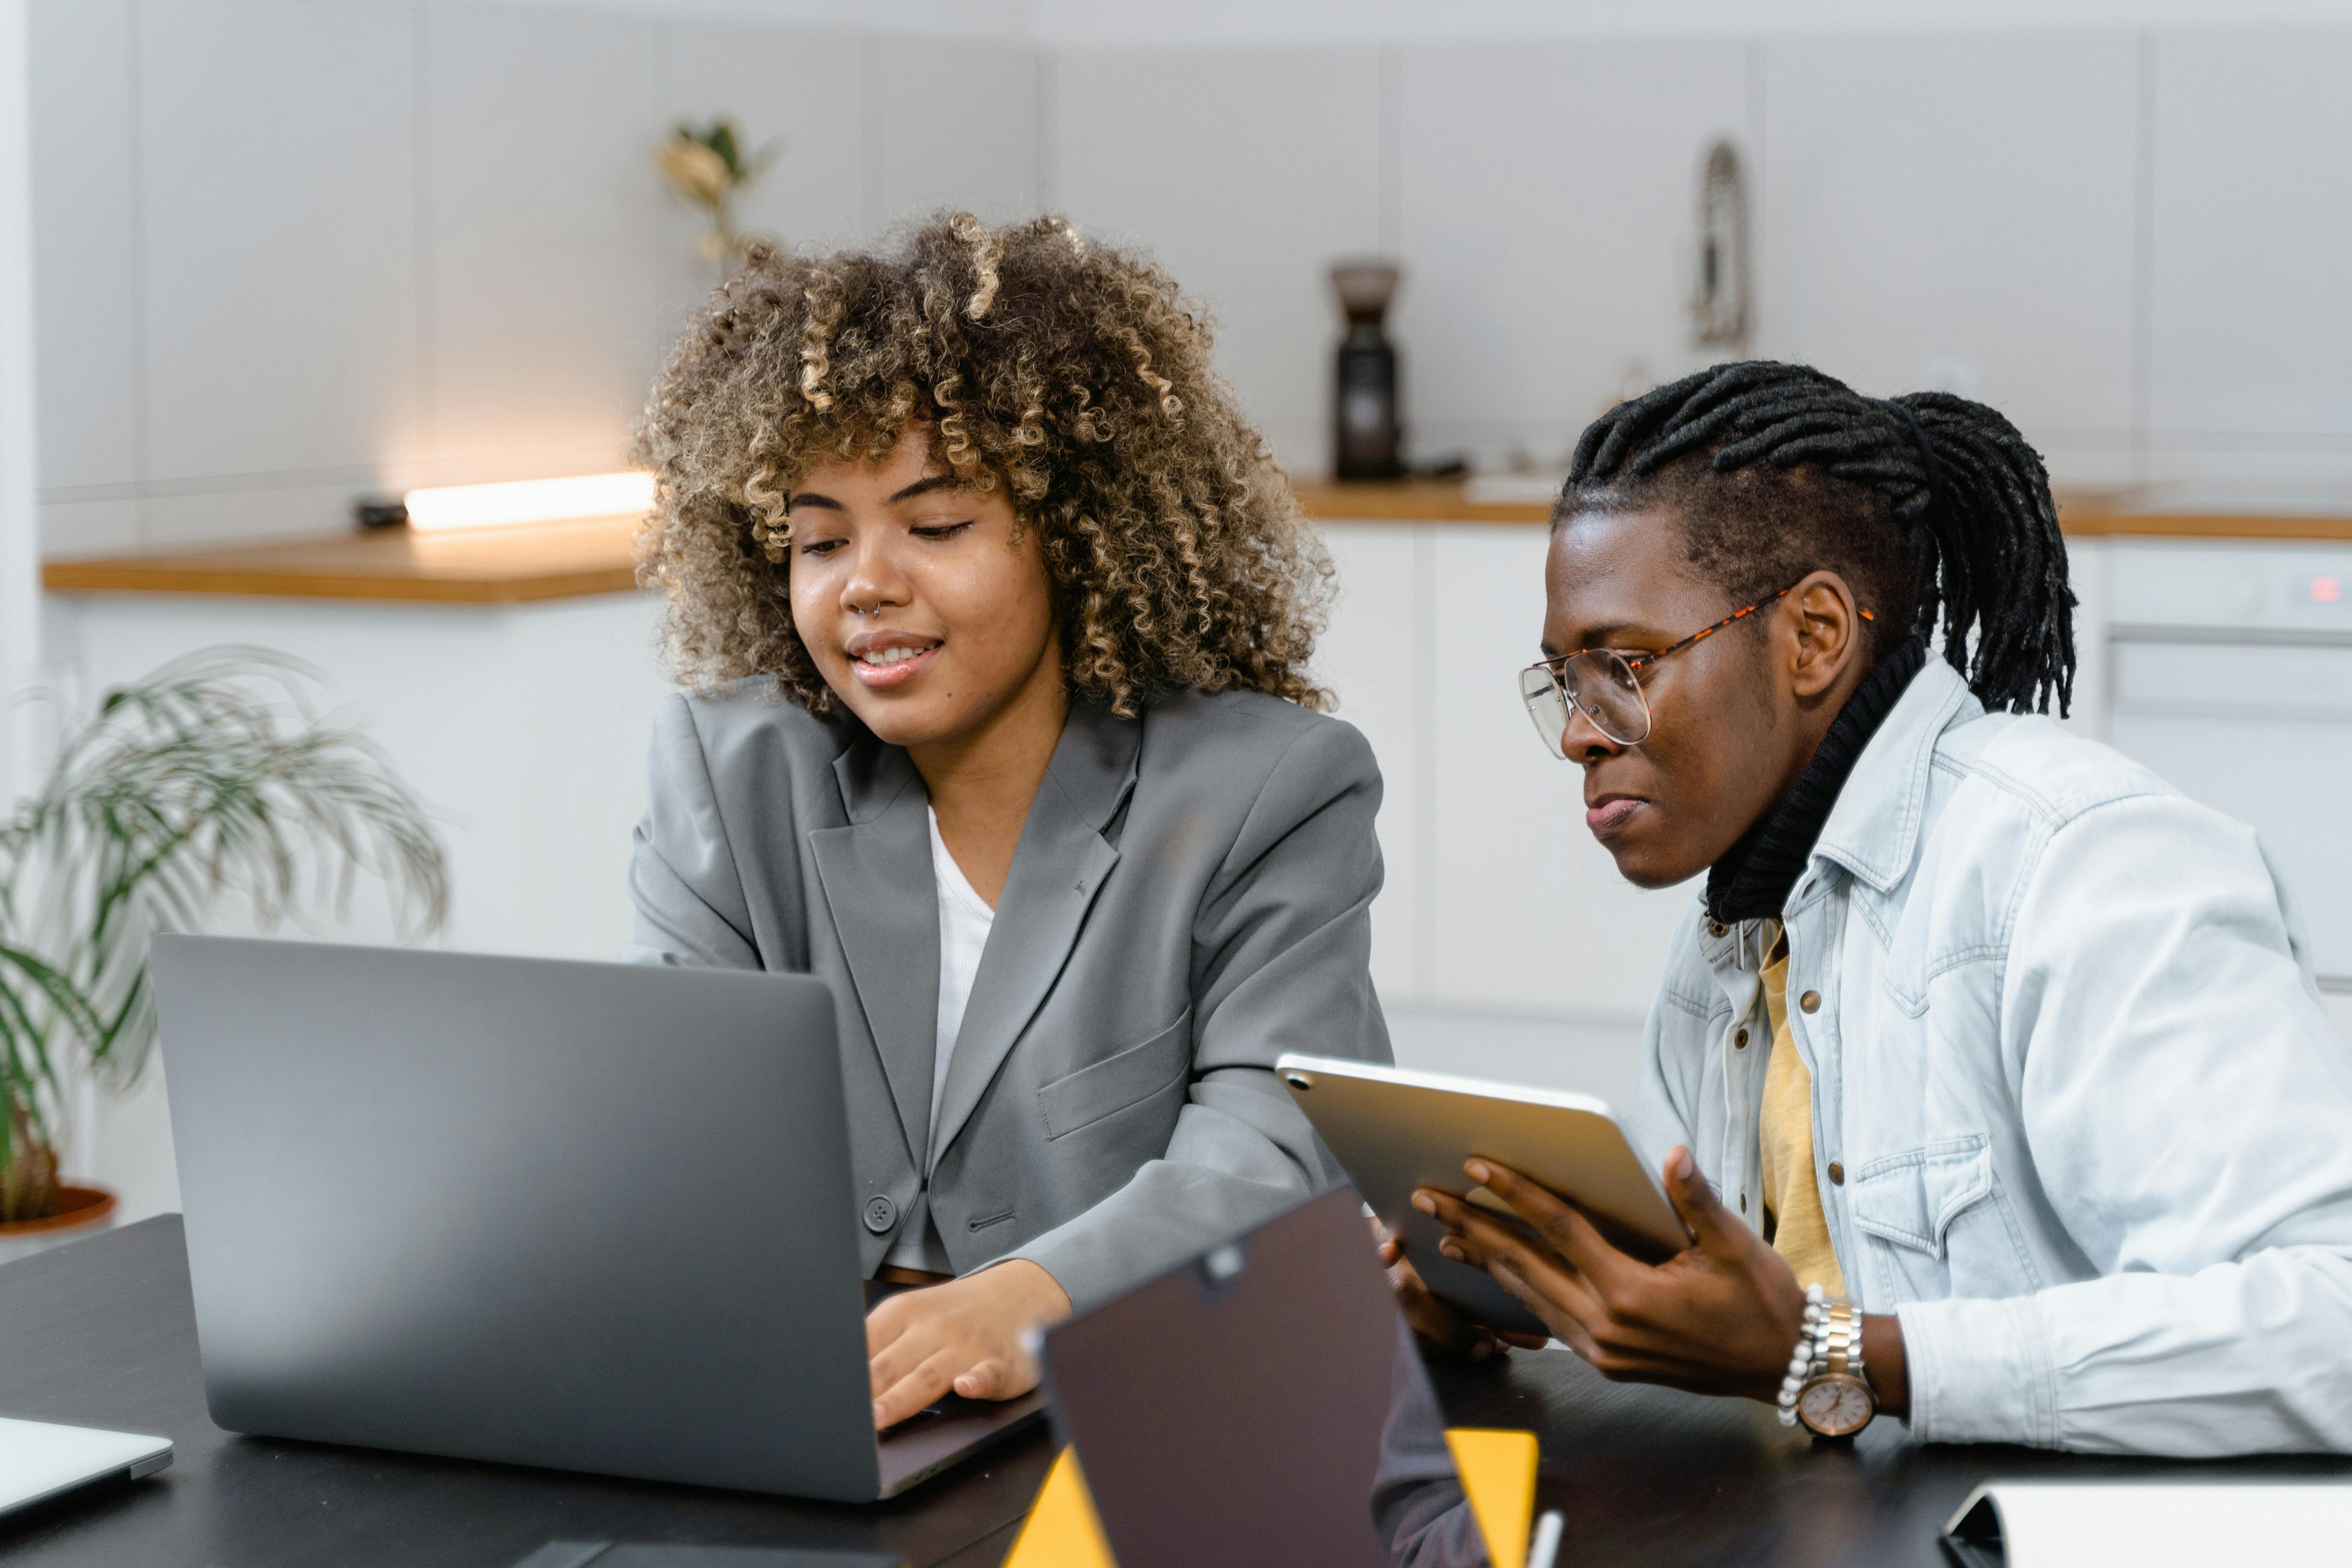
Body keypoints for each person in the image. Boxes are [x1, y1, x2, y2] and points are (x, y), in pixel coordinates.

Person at [1398, 361, 2352, 1454]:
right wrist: (1522, 1305)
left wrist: (1843, 1353)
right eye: (1565, 681)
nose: (1579, 729)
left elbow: (2333, 1320)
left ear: (1811, 637)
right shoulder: (1726, 946)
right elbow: (1737, 1344)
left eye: (1625, 663)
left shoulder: (2076, 861)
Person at [626, 213, 1390, 1429]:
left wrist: (1021, 1299)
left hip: (1147, 1414)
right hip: (817, 1414)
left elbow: (1271, 1154)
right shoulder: (731, 772)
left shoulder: (1269, 791)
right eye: (819, 538)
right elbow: (666, 1131)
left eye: (934, 526)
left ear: (1077, 536)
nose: (866, 583)